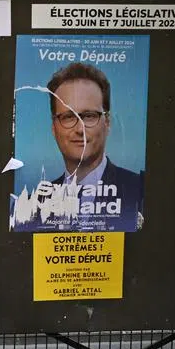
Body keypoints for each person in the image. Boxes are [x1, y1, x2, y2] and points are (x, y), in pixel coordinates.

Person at [44, 62, 144, 230]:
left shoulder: (141, 191)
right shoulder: (32, 205)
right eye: (68, 117)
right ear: (54, 128)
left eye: (89, 116)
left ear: (107, 123)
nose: (79, 129)